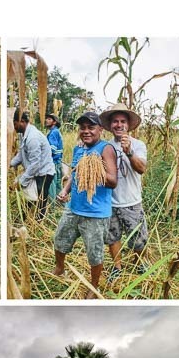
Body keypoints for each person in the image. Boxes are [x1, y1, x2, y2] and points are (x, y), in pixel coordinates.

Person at [52, 112, 118, 297]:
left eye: (91, 127)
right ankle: (59, 269)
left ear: (100, 129)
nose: (86, 131)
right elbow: (74, 174)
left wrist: (91, 169)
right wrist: (65, 191)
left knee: (95, 254)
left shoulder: (106, 149)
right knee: (60, 240)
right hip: (73, 208)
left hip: (95, 214)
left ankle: (94, 286)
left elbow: (113, 181)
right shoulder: (78, 149)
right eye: (83, 128)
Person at [100, 103, 149, 280]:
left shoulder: (138, 145)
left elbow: (142, 168)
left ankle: (139, 264)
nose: (119, 125)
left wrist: (129, 152)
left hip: (132, 202)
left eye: (122, 121)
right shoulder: (105, 147)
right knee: (113, 237)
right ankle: (117, 267)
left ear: (128, 125)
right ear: (110, 125)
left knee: (138, 239)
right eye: (115, 121)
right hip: (110, 202)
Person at [10, 109, 56, 219]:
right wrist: (10, 163)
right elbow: (21, 154)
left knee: (40, 200)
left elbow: (35, 164)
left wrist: (21, 181)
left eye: (15, 124)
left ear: (21, 121)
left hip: (44, 173)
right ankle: (22, 219)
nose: (14, 127)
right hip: (35, 172)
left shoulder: (32, 138)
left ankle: (38, 223)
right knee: (29, 197)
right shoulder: (23, 134)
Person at [45, 113, 64, 199]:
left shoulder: (53, 133)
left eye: (49, 119)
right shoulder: (57, 131)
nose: (46, 120)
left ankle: (52, 205)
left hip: (53, 162)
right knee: (58, 183)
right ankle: (60, 203)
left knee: (51, 183)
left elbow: (52, 148)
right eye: (47, 119)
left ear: (54, 122)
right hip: (58, 161)